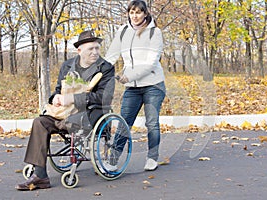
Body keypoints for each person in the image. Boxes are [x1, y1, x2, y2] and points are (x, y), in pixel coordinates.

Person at [15, 30, 115, 190]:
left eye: (97, 48)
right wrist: (54, 98)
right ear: (80, 50)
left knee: (75, 118)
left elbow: (105, 97)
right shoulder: (68, 65)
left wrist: (74, 99)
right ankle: (40, 175)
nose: (95, 52)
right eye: (91, 49)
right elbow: (58, 89)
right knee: (40, 122)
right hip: (62, 113)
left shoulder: (106, 68)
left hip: (89, 114)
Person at [105, 0, 166, 171]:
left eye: (138, 12)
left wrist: (128, 76)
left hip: (153, 85)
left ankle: (152, 157)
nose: (135, 15)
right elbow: (112, 55)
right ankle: (113, 160)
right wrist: (99, 71)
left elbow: (151, 63)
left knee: (152, 123)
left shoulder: (155, 33)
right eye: (132, 12)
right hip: (132, 87)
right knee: (124, 122)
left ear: (145, 13)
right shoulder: (123, 31)